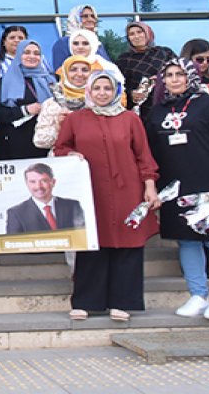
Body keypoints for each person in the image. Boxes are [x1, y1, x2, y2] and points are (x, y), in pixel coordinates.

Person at [53, 70, 159, 321]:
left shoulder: (130, 119)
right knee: (92, 241)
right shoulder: (75, 119)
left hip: (127, 190)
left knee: (127, 242)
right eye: (97, 88)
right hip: (91, 190)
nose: (102, 93)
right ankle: (87, 301)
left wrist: (150, 186)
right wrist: (69, 155)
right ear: (88, 91)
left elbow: (143, 155)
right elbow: (61, 147)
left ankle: (123, 301)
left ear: (116, 92)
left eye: (107, 89)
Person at [147, 59, 209, 321]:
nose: (174, 79)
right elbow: (151, 153)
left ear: (191, 76)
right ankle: (198, 295)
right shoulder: (157, 112)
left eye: (180, 74)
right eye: (169, 75)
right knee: (187, 241)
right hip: (177, 188)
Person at [0, 40, 56, 161]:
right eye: (26, 52)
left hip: (44, 141)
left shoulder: (51, 82)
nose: (32, 56)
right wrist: (24, 110)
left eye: (36, 53)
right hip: (14, 144)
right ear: (18, 54)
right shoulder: (4, 82)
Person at [32, 55, 102, 149]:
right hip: (64, 160)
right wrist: (59, 126)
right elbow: (40, 142)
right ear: (65, 72)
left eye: (85, 70)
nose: (79, 74)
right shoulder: (52, 104)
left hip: (95, 157)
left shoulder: (100, 101)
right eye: (73, 70)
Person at [4, 162, 86, 235]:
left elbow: (83, 236)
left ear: (53, 182)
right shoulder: (16, 213)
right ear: (26, 184)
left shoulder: (72, 206)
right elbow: (13, 245)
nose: (38, 186)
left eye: (44, 181)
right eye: (33, 182)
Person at [115, 21, 176, 117]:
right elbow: (117, 84)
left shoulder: (164, 52)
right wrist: (131, 94)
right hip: (140, 109)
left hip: (167, 103)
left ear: (148, 33)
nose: (136, 36)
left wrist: (162, 78)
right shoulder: (124, 59)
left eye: (139, 32)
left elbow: (179, 72)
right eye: (131, 34)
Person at [51, 4, 111, 71]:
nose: (90, 19)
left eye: (93, 16)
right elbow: (60, 71)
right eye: (85, 16)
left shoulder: (98, 44)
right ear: (75, 18)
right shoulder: (64, 43)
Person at [0, 25, 28, 97]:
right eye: (12, 38)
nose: (17, 40)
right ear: (4, 42)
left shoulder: (39, 60)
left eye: (21, 38)